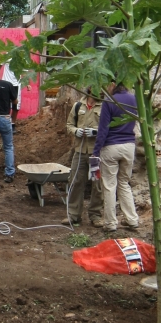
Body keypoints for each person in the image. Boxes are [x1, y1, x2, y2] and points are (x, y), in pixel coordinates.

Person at [91, 81, 139, 234]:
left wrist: (96, 151)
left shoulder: (109, 101)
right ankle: (132, 219)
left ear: (113, 84)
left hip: (111, 146)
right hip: (129, 147)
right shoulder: (134, 99)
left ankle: (111, 223)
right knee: (124, 183)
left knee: (109, 185)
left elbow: (103, 129)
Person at [65, 89, 103, 226]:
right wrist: (76, 131)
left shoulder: (104, 106)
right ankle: (73, 215)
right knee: (75, 181)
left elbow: (109, 129)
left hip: (96, 153)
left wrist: (96, 132)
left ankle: (95, 215)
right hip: (79, 151)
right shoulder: (78, 106)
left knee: (97, 184)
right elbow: (69, 125)